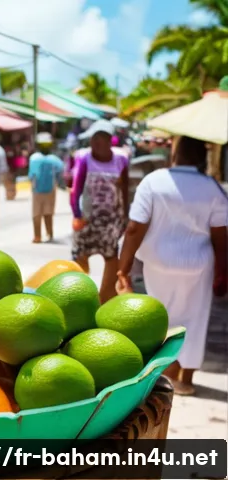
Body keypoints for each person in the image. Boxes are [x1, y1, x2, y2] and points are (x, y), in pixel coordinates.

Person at [117, 135, 228, 395]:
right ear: (201, 157)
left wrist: (124, 267)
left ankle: (161, 374)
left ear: (174, 155)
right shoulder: (212, 188)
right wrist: (223, 272)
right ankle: (185, 380)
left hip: (157, 263)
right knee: (194, 320)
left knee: (160, 317)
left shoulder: (153, 182)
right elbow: (221, 237)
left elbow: (133, 229)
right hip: (198, 266)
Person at [70, 119, 130, 303]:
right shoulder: (84, 158)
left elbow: (125, 189)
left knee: (111, 256)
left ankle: (105, 297)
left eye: (101, 137)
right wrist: (77, 215)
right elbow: (76, 189)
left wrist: (126, 216)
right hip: (87, 218)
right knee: (80, 255)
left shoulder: (121, 159)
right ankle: (80, 297)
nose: (96, 142)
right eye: (94, 138)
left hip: (111, 220)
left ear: (109, 139)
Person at [28, 132, 65, 243]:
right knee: (48, 212)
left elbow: (31, 175)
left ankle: (37, 236)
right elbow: (60, 173)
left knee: (36, 213)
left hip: (37, 189)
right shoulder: (55, 159)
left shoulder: (34, 158)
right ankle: (49, 233)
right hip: (50, 189)